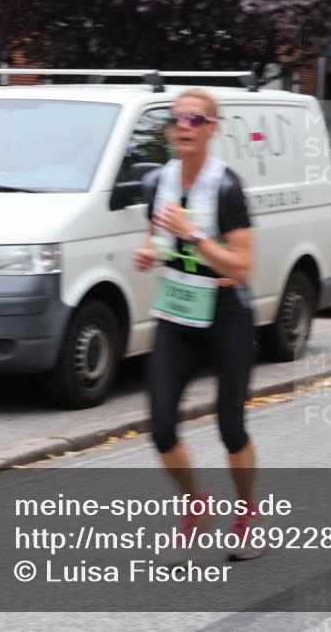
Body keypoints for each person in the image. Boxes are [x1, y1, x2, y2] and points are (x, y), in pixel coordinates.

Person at [132, 88, 262, 562]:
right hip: (177, 313)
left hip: (227, 314)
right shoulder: (157, 183)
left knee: (230, 426)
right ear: (170, 132)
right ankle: (195, 504)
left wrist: (196, 235)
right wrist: (149, 252)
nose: (184, 126)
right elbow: (155, 238)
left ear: (212, 128)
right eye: (177, 120)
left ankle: (247, 517)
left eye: (195, 119)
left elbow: (242, 266)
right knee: (161, 426)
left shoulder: (227, 188)